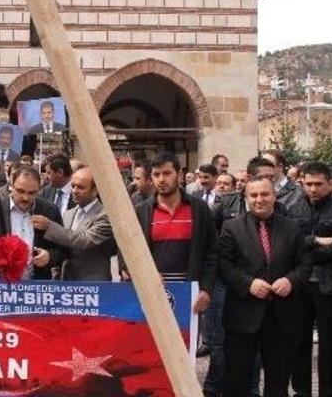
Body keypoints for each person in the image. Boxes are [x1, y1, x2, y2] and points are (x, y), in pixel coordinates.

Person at [219, 176, 311, 397]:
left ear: (274, 196)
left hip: (282, 316)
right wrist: (248, 283)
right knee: (236, 379)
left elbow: (306, 263)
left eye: (265, 194)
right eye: (253, 195)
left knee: (278, 381)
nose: (259, 199)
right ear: (246, 197)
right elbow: (222, 265)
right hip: (243, 315)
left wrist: (291, 280)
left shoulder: (292, 227)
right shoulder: (231, 228)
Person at [289, 162, 332, 397]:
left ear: (330, 183)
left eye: (318, 184)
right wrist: (319, 240)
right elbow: (291, 246)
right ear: (302, 183)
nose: (313, 189)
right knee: (299, 342)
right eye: (309, 184)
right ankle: (301, 392)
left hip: (330, 286)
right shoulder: (294, 208)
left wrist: (309, 245)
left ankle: (330, 393)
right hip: (301, 285)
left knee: (330, 347)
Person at [122, 152, 217, 314]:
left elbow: (211, 253)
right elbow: (126, 252)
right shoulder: (141, 211)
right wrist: (139, 272)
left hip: (190, 293)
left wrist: (206, 289)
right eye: (156, 175)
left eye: (167, 173)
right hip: (152, 294)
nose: (161, 179)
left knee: (186, 339)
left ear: (179, 175)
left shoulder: (199, 209)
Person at [0, 166, 65, 280]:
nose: (25, 197)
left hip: (38, 286)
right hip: (0, 285)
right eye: (20, 191)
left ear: (39, 189)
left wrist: (49, 256)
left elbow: (63, 249)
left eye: (31, 193)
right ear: (11, 186)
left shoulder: (49, 211)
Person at [35, 167, 115, 281]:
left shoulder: (104, 215)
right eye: (73, 186)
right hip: (67, 282)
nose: (74, 191)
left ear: (95, 190)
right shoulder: (68, 214)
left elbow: (84, 241)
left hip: (93, 284)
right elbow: (63, 246)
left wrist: (50, 226)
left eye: (81, 187)